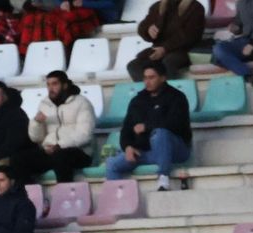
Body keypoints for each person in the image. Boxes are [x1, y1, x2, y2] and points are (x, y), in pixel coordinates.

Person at [103, 60, 191, 191]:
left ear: (163, 78)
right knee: (112, 164)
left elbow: (177, 124)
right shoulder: (137, 101)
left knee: (161, 133)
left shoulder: (177, 97)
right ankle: (118, 198)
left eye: (151, 77)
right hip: (145, 151)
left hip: (176, 149)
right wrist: (127, 147)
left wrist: (147, 126)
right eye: (145, 78)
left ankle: (163, 178)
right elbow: (126, 128)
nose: (147, 82)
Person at [16, 70, 94, 183]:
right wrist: (36, 123)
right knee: (19, 159)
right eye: (48, 84)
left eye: (54, 84)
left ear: (65, 85)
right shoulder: (45, 104)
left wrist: (59, 145)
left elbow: (85, 134)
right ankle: (27, 192)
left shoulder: (82, 103)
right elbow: (36, 138)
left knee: (60, 156)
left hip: (79, 152)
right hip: (51, 151)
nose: (50, 88)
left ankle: (64, 192)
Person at [127, 0, 205, 80]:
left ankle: (170, 87)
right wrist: (148, 30)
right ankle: (150, 87)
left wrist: (165, 48)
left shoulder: (195, 7)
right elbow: (143, 26)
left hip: (183, 51)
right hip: (158, 50)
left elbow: (190, 35)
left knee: (168, 62)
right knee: (134, 66)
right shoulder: (157, 6)